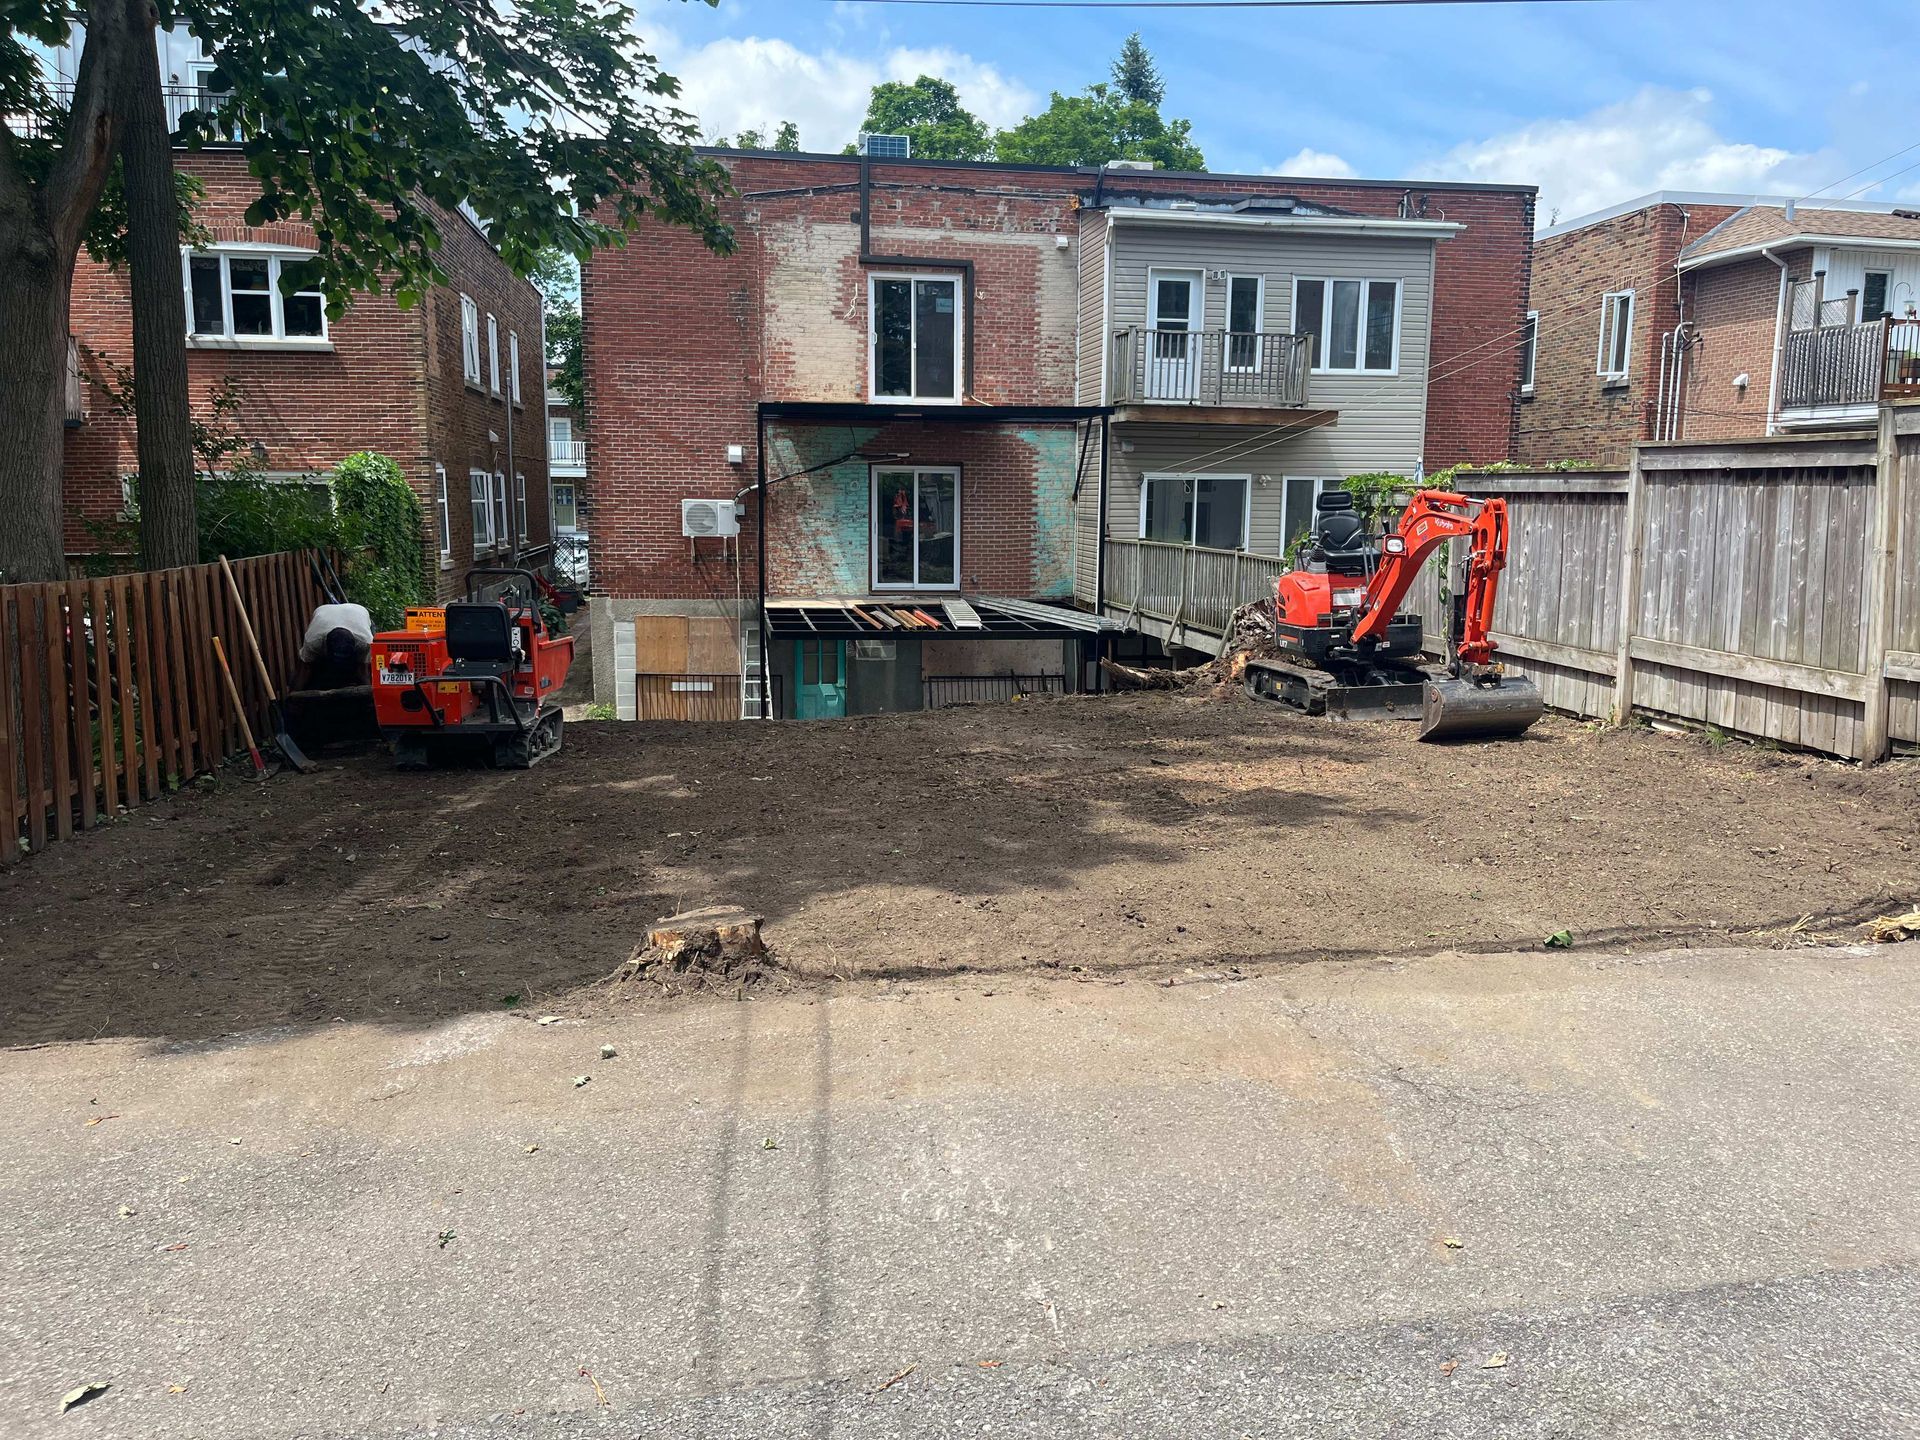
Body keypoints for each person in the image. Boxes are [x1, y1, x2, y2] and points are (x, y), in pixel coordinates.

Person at [296, 601, 375, 689]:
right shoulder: (313, 641)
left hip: (358, 612)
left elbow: (363, 670)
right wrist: (294, 695)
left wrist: (368, 694)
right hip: (323, 612)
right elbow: (305, 668)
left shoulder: (365, 642)